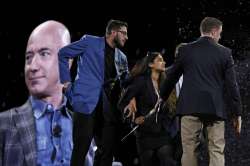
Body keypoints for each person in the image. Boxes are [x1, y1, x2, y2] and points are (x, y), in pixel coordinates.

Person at [160, 17, 242, 166]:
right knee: (216, 149)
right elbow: (232, 86)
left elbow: (171, 77)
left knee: (189, 150)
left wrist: (162, 97)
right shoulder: (224, 53)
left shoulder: (185, 50)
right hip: (214, 108)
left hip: (190, 107)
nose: (220, 37)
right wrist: (236, 113)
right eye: (220, 33)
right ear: (214, 31)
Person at [0, 21, 72, 166]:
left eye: (44, 54)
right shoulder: (3, 125)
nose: (32, 66)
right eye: (28, 57)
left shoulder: (83, 125)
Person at [58, 19, 129, 166]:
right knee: (81, 149)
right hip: (85, 102)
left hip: (108, 110)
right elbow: (63, 53)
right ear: (113, 32)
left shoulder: (122, 57)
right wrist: (66, 83)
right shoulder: (90, 42)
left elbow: (125, 83)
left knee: (107, 152)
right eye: (124, 33)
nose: (126, 37)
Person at [119, 52, 177, 166]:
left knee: (167, 160)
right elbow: (123, 102)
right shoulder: (141, 81)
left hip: (163, 131)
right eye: (160, 60)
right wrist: (133, 120)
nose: (164, 62)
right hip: (145, 133)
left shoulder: (165, 82)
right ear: (151, 64)